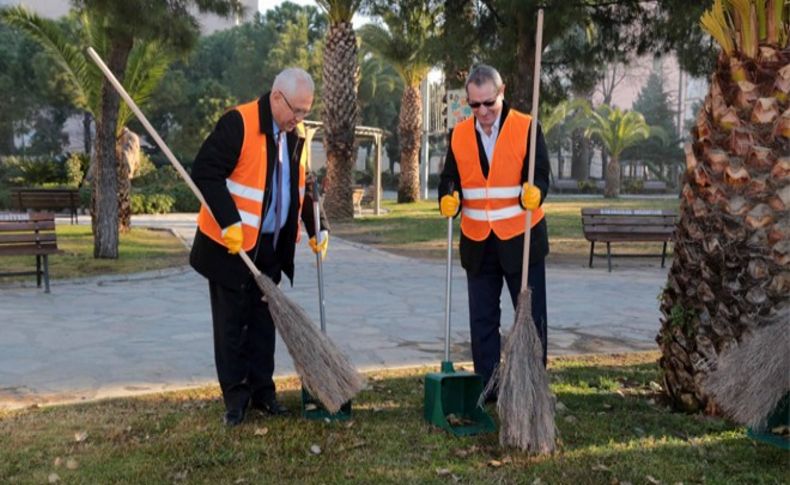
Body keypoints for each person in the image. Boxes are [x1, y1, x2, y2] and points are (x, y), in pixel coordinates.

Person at [190, 68, 329, 426]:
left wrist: (318, 227)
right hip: (230, 245)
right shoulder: (239, 122)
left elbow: (302, 186)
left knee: (264, 320)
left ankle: (263, 392)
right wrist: (228, 221)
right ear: (277, 97)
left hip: (268, 246)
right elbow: (205, 171)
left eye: (306, 112)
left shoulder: (294, 135)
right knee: (232, 324)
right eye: (297, 111)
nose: (301, 119)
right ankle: (236, 398)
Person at [438, 64, 550, 400]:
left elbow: (542, 173)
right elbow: (449, 177)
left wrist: (537, 192)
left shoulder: (527, 127)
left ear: (502, 94)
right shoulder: (458, 134)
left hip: (522, 239)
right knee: (482, 321)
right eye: (474, 105)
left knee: (530, 318)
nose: (482, 112)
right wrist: (448, 197)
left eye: (489, 103)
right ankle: (488, 387)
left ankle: (530, 386)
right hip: (478, 242)